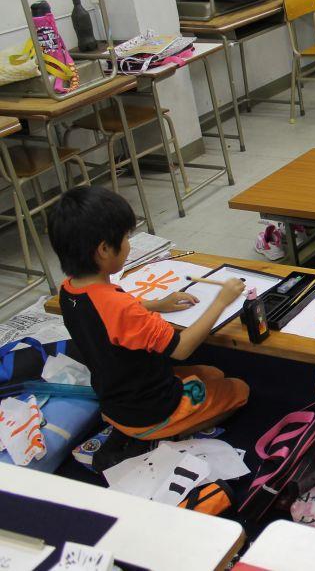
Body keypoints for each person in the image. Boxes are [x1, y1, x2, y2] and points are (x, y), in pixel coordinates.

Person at [48, 187, 249, 468]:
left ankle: (147, 428)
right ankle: (168, 434)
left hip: (114, 401)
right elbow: (181, 349)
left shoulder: (69, 290)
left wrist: (156, 304)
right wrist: (221, 301)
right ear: (104, 249)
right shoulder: (121, 307)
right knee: (239, 390)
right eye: (126, 237)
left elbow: (106, 318)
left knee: (212, 374)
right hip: (152, 411)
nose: (129, 244)